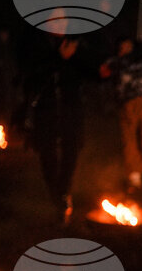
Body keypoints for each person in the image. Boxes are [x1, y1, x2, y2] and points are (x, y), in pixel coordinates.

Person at [19, 13, 100, 224]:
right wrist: (58, 59)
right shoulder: (36, 44)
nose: (58, 23)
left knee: (71, 150)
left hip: (71, 107)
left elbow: (91, 70)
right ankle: (57, 195)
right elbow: (30, 73)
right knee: (47, 153)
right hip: (46, 107)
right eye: (53, 19)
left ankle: (63, 193)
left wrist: (80, 60)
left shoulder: (75, 43)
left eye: (62, 19)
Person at [100, 36, 142, 189]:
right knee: (129, 139)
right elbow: (104, 72)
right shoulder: (116, 61)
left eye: (128, 45)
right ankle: (134, 175)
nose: (125, 48)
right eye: (122, 46)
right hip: (127, 102)